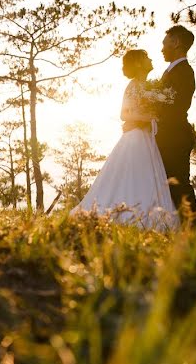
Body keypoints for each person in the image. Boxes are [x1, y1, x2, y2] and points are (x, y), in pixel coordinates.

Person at [70, 49, 178, 230]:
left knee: (147, 178)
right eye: (146, 57)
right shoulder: (134, 85)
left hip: (145, 138)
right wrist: (150, 117)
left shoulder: (147, 86)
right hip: (135, 139)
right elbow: (124, 114)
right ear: (138, 63)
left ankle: (149, 214)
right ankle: (132, 215)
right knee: (134, 178)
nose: (150, 59)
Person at [152, 25, 196, 226]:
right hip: (165, 136)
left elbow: (177, 105)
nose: (162, 48)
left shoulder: (184, 72)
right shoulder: (171, 71)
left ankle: (191, 231)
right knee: (168, 185)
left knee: (179, 184)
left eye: (165, 43)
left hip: (174, 137)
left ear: (176, 43)